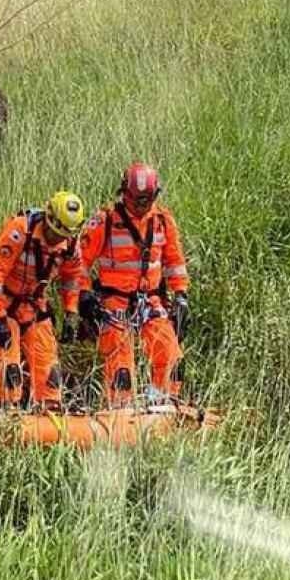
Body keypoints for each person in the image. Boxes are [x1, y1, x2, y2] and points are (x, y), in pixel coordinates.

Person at [78, 162, 191, 407]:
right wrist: (84, 295)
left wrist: (181, 295)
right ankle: (120, 410)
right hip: (113, 300)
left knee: (170, 356)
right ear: (125, 194)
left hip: (151, 300)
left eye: (147, 200)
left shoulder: (163, 221)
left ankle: (163, 403)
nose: (141, 206)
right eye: (137, 200)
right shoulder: (105, 221)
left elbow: (175, 262)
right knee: (120, 366)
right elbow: (79, 264)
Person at [0, 191, 87, 411]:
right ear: (48, 219)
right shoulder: (21, 230)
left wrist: (71, 312)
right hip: (4, 304)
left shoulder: (70, 245)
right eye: (55, 233)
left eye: (63, 236)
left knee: (49, 369)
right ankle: (4, 409)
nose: (57, 240)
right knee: (7, 363)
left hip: (34, 307)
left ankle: (49, 410)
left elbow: (73, 279)